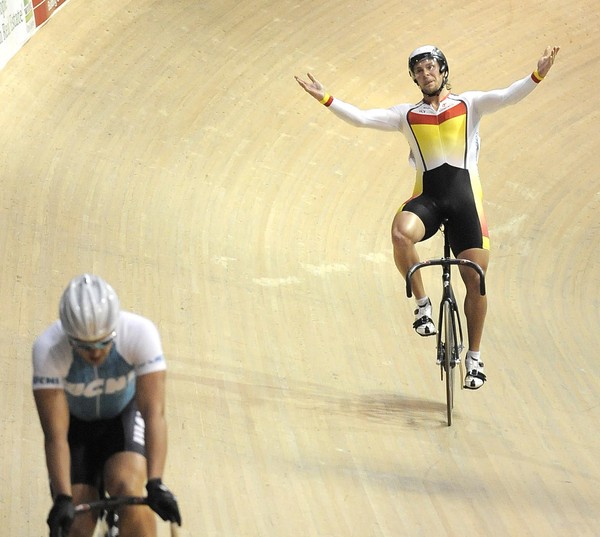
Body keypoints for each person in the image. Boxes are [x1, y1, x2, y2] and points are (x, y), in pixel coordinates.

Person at [295, 44, 560, 390]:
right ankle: (422, 304)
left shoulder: (470, 104)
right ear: (415, 78)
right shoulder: (406, 115)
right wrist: (326, 98)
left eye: (431, 67)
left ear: (443, 70)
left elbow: (509, 96)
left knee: (476, 279)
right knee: (400, 234)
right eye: (418, 71)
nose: (425, 74)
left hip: (466, 204)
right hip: (429, 200)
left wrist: (537, 74)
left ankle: (475, 358)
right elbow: (361, 118)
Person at [32, 274, 182, 536]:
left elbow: (154, 414)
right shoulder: (48, 349)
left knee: (130, 489)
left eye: (104, 342)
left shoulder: (139, 333)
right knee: (76, 524)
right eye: (85, 346)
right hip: (74, 426)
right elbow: (55, 437)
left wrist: (156, 483)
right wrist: (63, 499)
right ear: (69, 337)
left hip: (121, 416)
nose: (96, 353)